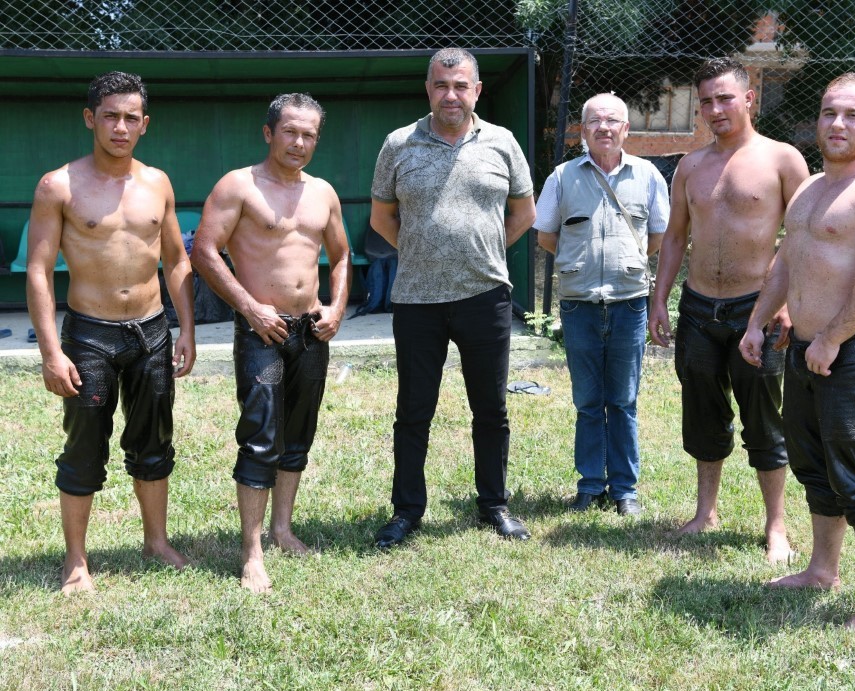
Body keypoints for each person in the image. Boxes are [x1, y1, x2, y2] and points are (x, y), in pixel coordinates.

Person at [740, 73, 855, 630]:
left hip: (854, 354)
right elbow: (787, 261)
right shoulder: (811, 188)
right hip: (804, 351)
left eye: (853, 115)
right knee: (815, 468)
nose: (837, 124)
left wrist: (833, 338)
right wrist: (757, 321)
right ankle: (822, 570)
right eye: (828, 112)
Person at [25, 71, 196, 594]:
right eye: (110, 116)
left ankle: (156, 542)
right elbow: (38, 270)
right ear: (90, 119)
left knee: (154, 441)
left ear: (145, 124)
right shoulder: (59, 185)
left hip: (151, 332)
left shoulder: (157, 183)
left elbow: (176, 258)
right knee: (84, 448)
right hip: (89, 337)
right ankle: (76, 560)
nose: (120, 127)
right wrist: (51, 352)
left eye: (130, 118)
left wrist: (186, 328)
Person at [369, 47, 536, 548]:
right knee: (413, 410)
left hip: (485, 295)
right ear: (428, 89)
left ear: (476, 91)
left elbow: (524, 213)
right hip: (417, 300)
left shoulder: (502, 142)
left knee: (491, 409)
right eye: (441, 85)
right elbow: (382, 218)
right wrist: (422, 253)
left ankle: (494, 504)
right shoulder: (398, 143)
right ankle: (406, 511)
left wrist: (486, 252)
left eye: (461, 85)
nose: (451, 95)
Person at [648, 58, 809, 562]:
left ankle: (776, 525)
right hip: (698, 308)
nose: (715, 109)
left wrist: (785, 303)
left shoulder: (782, 159)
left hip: (755, 309)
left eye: (725, 98)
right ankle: (706, 513)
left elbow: (801, 239)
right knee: (702, 413)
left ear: (748, 99)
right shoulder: (691, 166)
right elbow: (675, 237)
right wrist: (660, 298)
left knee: (763, 417)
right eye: (706, 102)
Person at [190, 93, 350, 593]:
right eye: (290, 132)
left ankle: (282, 529)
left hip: (311, 331)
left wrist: (336, 308)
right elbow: (204, 251)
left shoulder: (323, 193)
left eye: (309, 135)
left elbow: (341, 255)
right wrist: (249, 307)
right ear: (269, 133)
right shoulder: (239, 185)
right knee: (260, 436)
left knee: (298, 434)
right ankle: (252, 551)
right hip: (263, 330)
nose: (299, 142)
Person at [534, 93, 669, 516]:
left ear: (626, 129)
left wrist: (625, 264)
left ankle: (625, 489)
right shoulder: (562, 177)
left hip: (630, 303)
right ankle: (590, 484)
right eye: (595, 121)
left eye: (613, 121)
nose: (604, 128)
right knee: (588, 401)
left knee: (624, 401)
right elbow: (546, 235)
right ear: (583, 130)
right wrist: (580, 263)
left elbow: (658, 235)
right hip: (579, 304)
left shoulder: (648, 175)